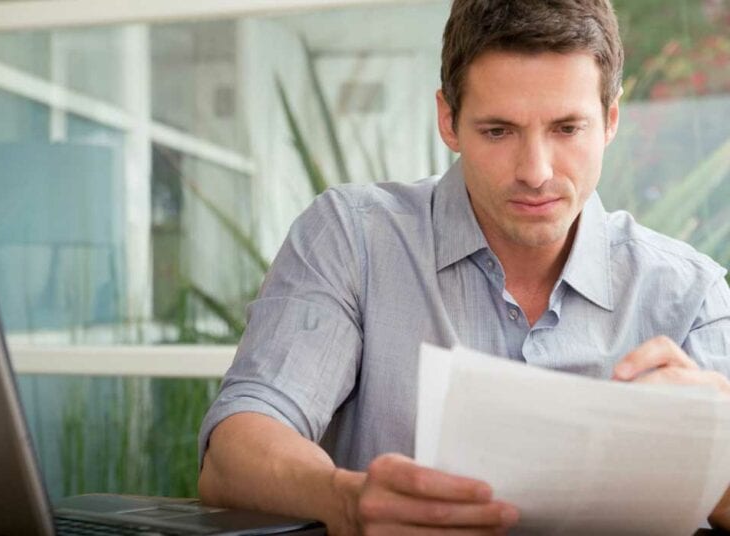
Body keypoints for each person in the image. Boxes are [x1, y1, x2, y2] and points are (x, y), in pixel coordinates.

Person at [198, 0, 730, 533]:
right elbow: (235, 449)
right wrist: (345, 500)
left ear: (610, 120)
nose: (536, 172)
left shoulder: (689, 291)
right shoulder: (352, 238)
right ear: (448, 121)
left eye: (568, 129)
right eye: (499, 131)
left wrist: (719, 453)